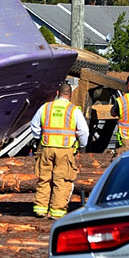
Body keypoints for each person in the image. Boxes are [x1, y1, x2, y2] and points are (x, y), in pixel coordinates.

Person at [30, 82, 89, 220]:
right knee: (61, 181)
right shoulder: (74, 110)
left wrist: (40, 137)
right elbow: (83, 131)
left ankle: (40, 209)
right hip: (65, 150)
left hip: (46, 148)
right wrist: (82, 145)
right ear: (71, 95)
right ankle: (56, 212)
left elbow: (34, 126)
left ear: (57, 93)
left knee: (44, 179)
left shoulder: (46, 107)